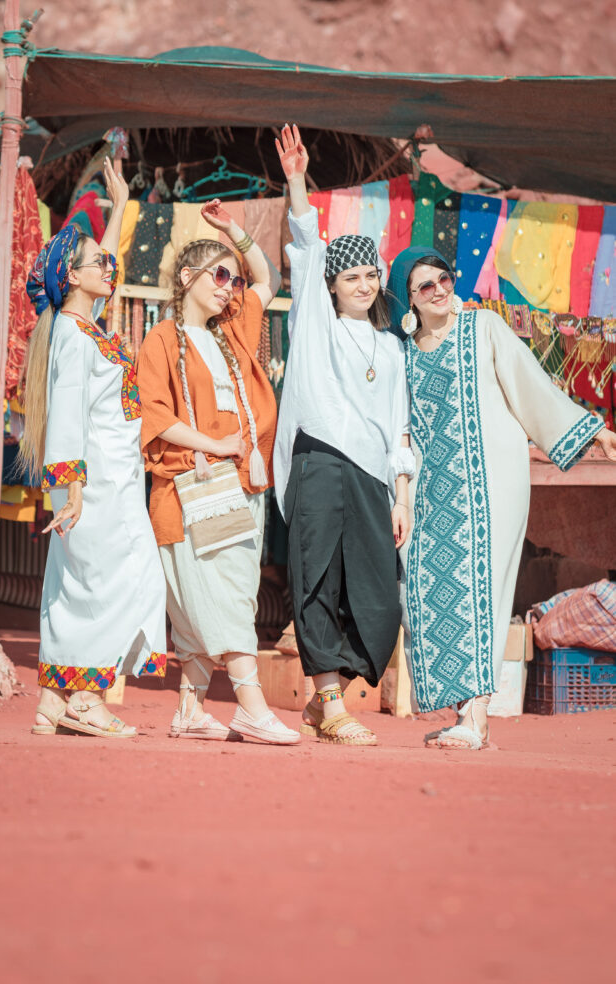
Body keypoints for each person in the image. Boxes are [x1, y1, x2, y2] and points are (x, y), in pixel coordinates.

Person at [388, 245, 616, 749]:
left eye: (444, 278)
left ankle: (476, 717)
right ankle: (465, 713)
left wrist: (595, 430)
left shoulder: (483, 328)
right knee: (428, 587)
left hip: (490, 481)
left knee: (482, 588)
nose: (439, 290)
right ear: (408, 298)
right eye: (426, 285)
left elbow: (532, 387)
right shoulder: (401, 354)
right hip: (430, 491)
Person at [137, 198, 300, 745]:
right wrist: (215, 444)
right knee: (224, 595)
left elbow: (269, 280)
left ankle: (189, 709)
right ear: (187, 277)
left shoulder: (231, 331)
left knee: (228, 592)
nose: (230, 288)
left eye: (233, 279)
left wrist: (235, 232)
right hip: (196, 481)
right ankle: (251, 707)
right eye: (220, 275)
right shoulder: (161, 339)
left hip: (243, 480)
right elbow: (156, 417)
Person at [274, 124, 414, 746]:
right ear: (331, 284)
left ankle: (326, 695)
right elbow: (307, 244)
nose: (362, 283)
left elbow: (398, 426)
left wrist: (401, 495)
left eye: (369, 275)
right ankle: (330, 702)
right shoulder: (315, 325)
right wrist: (297, 182)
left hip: (371, 478)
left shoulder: (392, 348)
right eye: (350, 275)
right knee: (319, 580)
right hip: (319, 461)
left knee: (379, 596)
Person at [23, 157, 167, 738]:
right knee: (127, 582)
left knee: (79, 587)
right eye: (97, 266)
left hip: (103, 482)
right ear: (73, 277)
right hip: (95, 487)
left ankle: (53, 699)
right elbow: (65, 415)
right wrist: (73, 488)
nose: (109, 269)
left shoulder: (82, 326)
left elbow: (101, 265)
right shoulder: (73, 337)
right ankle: (86, 699)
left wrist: (122, 204)